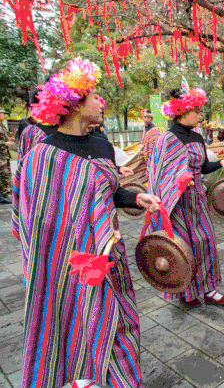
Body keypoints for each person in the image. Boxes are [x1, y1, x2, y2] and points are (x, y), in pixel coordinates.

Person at [11, 58, 161, 388]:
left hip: (111, 254)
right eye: (93, 96)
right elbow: (38, 223)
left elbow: (106, 190)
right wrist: (79, 249)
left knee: (120, 322)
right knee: (83, 319)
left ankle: (120, 379)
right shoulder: (43, 155)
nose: (100, 102)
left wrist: (136, 198)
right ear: (76, 104)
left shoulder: (101, 144)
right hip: (73, 261)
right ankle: (84, 375)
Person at [149, 85, 224, 309]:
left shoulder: (197, 138)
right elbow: (157, 174)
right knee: (182, 246)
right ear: (183, 112)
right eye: (196, 111)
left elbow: (204, 166)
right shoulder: (165, 139)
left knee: (205, 241)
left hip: (197, 199)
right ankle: (186, 291)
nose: (200, 115)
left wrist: (220, 163)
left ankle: (210, 289)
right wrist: (176, 182)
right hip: (175, 203)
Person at [0, 109, 15, 204]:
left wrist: (9, 139)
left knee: (6, 174)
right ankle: (4, 195)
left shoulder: (2, 125)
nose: (4, 115)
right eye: (2, 114)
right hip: (1, 156)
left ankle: (6, 194)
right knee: (3, 175)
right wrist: (4, 143)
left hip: (4, 155)